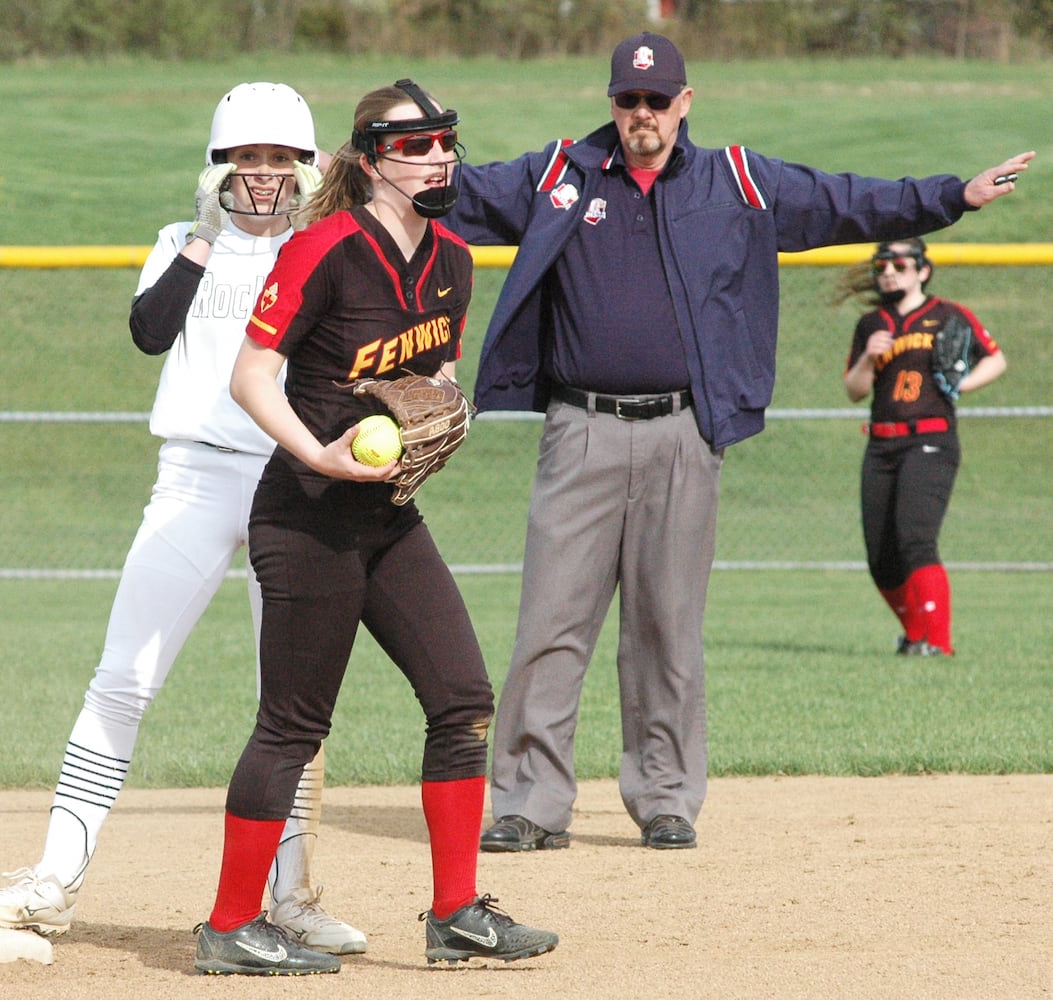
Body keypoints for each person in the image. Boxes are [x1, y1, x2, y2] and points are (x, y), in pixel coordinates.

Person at [442, 30, 1033, 853]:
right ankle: (529, 803)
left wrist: (951, 197)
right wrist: (370, 160)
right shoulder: (559, 176)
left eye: (656, 99)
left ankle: (665, 798)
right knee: (549, 623)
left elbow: (848, 201)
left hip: (685, 432)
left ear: (685, 102)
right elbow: (450, 192)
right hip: (579, 429)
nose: (641, 113)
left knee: (667, 625)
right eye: (627, 99)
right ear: (609, 102)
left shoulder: (740, 181)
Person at [0, 82, 366, 955]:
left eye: (280, 159)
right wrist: (204, 246)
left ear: (306, 168)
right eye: (244, 158)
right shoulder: (181, 245)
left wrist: (339, 193)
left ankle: (289, 897)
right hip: (193, 481)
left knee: (289, 702)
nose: (262, 174)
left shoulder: (330, 251)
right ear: (217, 169)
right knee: (122, 678)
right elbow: (149, 333)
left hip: (294, 489)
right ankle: (52, 881)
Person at [190, 79, 559, 976]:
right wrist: (318, 455)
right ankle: (230, 925)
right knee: (292, 726)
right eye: (415, 144)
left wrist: (443, 411)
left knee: (463, 698)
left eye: (445, 142)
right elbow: (250, 378)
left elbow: (431, 375)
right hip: (306, 513)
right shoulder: (323, 249)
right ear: (367, 158)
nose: (437, 157)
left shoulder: (454, 261)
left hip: (387, 516)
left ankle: (456, 912)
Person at [839, 238, 1006, 656]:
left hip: (930, 439)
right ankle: (915, 638)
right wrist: (867, 359)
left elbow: (995, 359)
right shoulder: (871, 324)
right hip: (881, 445)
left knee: (915, 539)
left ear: (922, 270)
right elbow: (854, 391)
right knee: (880, 556)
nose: (889, 271)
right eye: (882, 265)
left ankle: (940, 646)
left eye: (899, 263)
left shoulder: (948, 315)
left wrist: (962, 383)